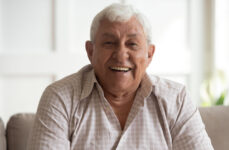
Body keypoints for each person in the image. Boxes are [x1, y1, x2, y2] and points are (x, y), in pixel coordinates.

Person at [27, 3, 214, 150]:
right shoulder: (60, 97)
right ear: (90, 51)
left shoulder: (176, 99)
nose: (120, 54)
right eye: (109, 43)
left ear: (149, 54)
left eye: (132, 44)